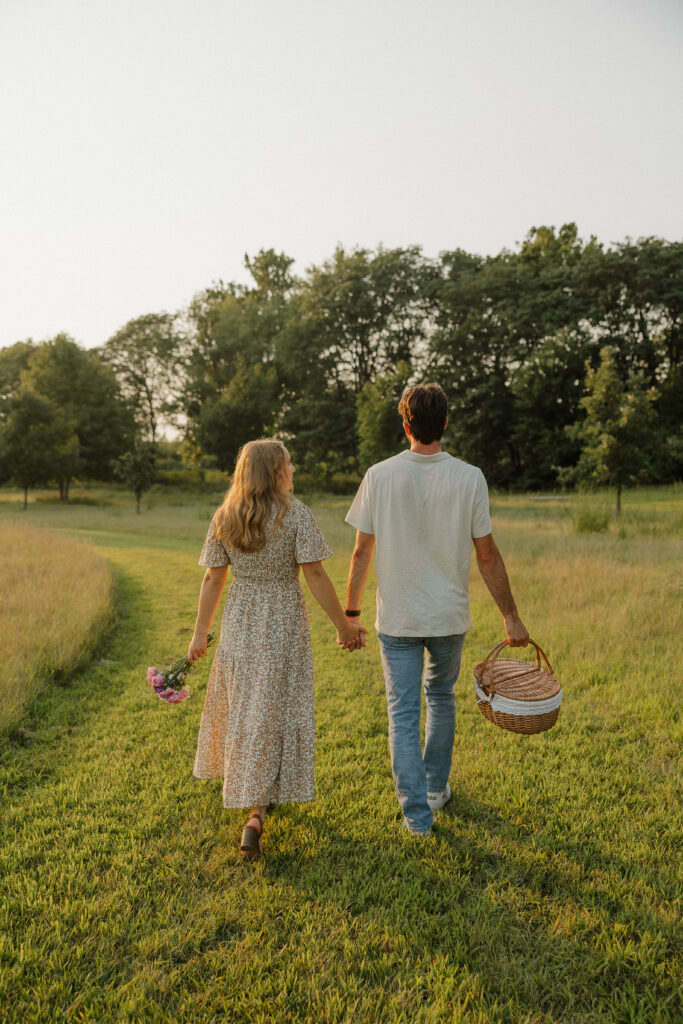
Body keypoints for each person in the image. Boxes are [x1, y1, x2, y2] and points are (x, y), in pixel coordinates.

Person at [343, 383, 529, 837]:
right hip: (449, 617)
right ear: (445, 423)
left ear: (405, 425)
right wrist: (510, 616)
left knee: (402, 711)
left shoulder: (379, 475)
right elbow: (487, 555)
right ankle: (435, 789)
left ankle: (417, 818)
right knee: (441, 698)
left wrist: (350, 613)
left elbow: (361, 553)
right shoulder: (470, 477)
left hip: (399, 619)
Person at [188, 438, 366, 861]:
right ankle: (255, 811)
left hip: (241, 618)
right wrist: (344, 626)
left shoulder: (226, 515)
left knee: (248, 706)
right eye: (288, 464)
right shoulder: (296, 514)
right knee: (274, 707)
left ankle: (257, 798)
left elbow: (213, 580)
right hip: (283, 617)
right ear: (273, 471)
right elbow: (316, 575)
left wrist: (199, 634)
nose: (294, 470)